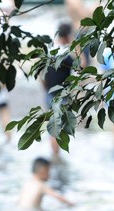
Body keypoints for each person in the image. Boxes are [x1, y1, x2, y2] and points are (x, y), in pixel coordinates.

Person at [40, 21, 75, 161]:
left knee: (53, 126)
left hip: (49, 93)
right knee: (59, 127)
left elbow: (40, 75)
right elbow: (83, 65)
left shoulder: (49, 51)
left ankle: (55, 155)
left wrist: (46, 89)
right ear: (67, 36)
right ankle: (57, 156)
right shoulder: (66, 54)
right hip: (62, 95)